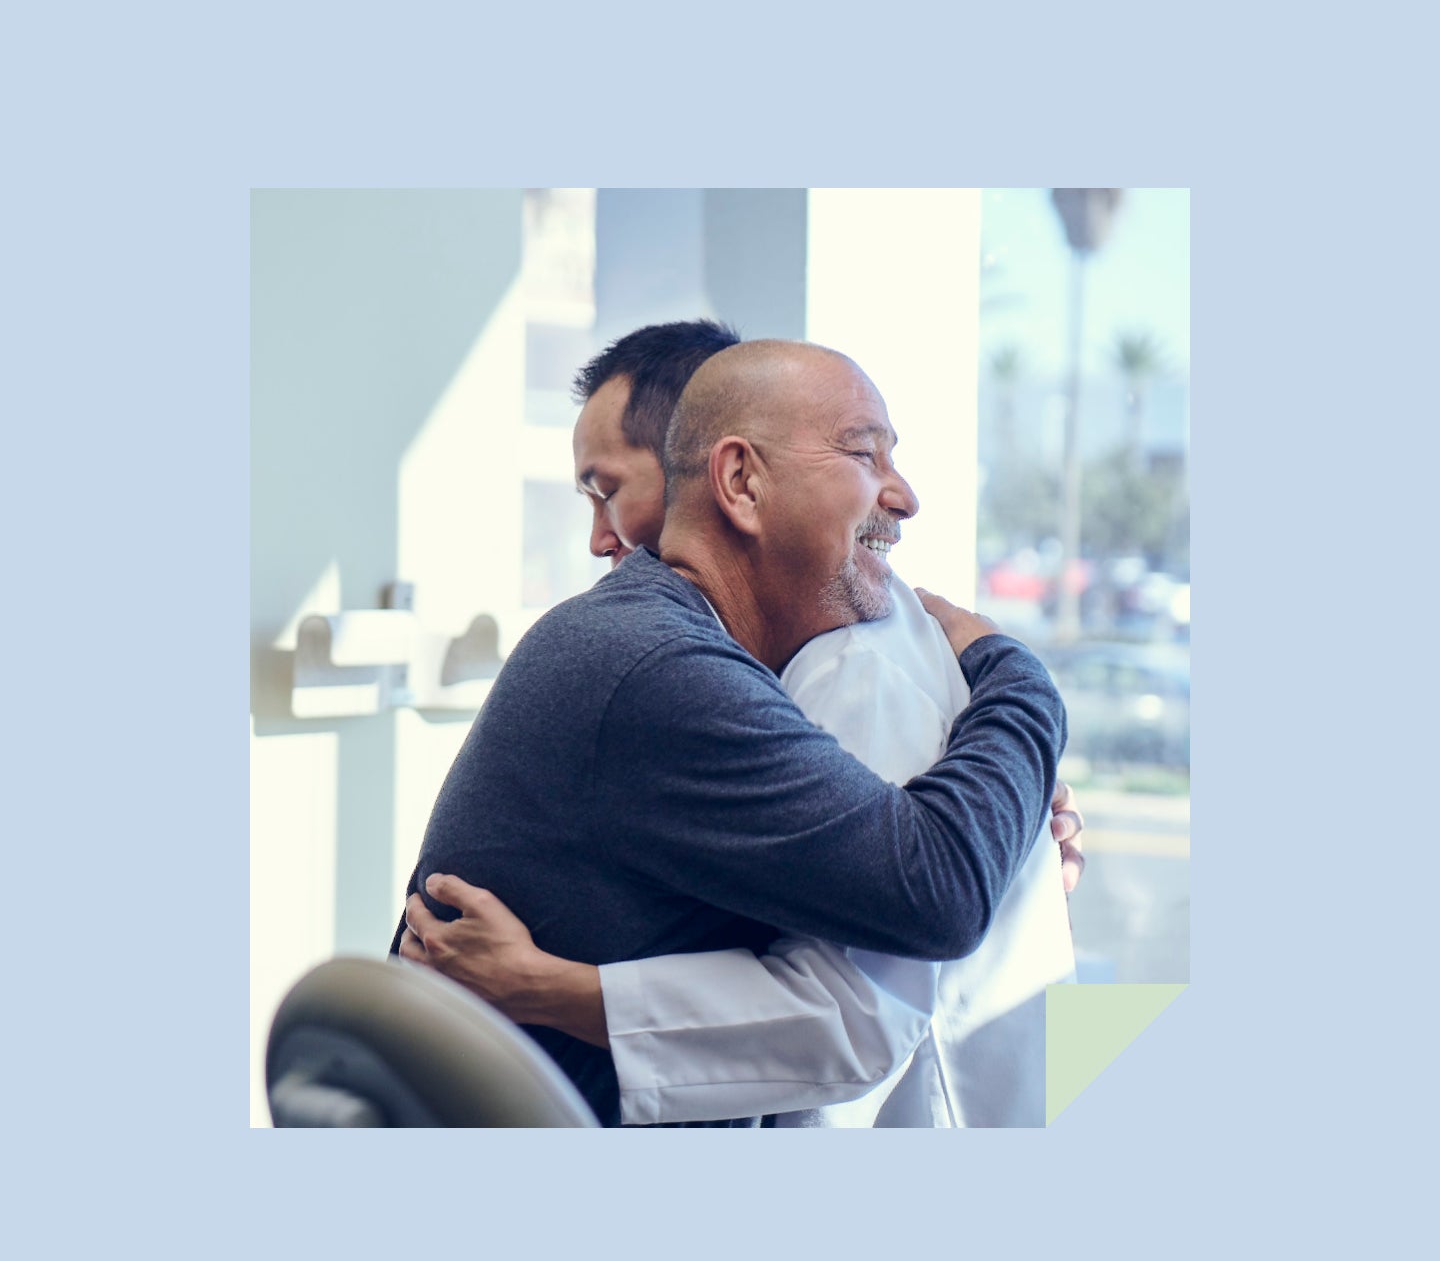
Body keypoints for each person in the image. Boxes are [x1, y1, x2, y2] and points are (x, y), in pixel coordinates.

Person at [399, 320, 1082, 1126]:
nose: (905, 497)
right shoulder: (662, 665)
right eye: (866, 455)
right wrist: (1024, 685)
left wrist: (1016, 820)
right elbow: (936, 891)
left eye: (610, 487)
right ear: (741, 481)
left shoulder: (711, 647)